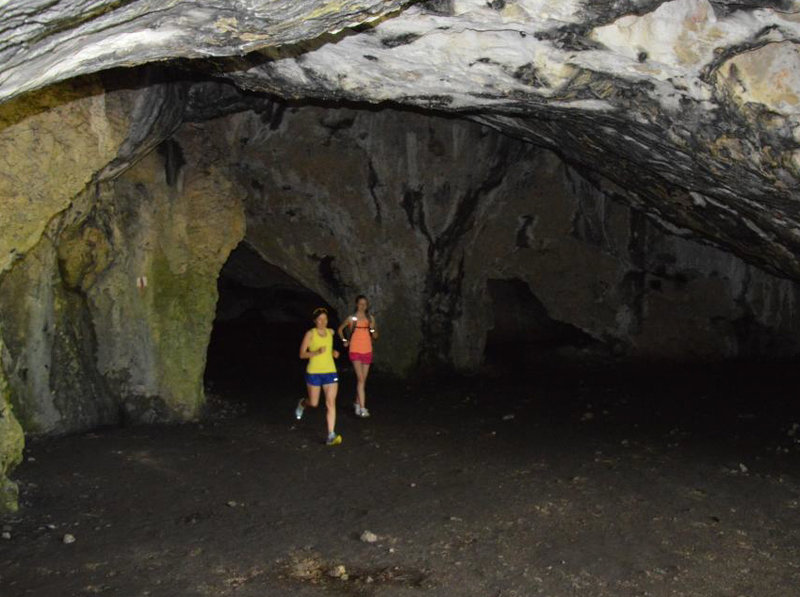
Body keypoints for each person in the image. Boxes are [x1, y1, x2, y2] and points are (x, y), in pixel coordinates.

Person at [295, 307, 342, 446]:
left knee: (330, 403)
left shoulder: (331, 332)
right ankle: (303, 403)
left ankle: (331, 435)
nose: (323, 322)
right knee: (314, 403)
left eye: (325, 319)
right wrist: (315, 352)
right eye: (320, 319)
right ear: (315, 320)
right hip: (314, 372)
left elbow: (331, 347)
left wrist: (334, 352)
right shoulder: (310, 334)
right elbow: (302, 354)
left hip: (330, 372)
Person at [337, 295, 378, 418]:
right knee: (360, 379)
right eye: (360, 303)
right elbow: (340, 329)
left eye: (365, 304)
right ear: (356, 304)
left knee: (362, 380)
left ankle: (356, 402)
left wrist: (371, 330)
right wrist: (344, 340)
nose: (362, 306)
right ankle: (362, 408)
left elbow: (375, 336)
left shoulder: (370, 319)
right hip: (355, 350)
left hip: (367, 350)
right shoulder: (352, 318)